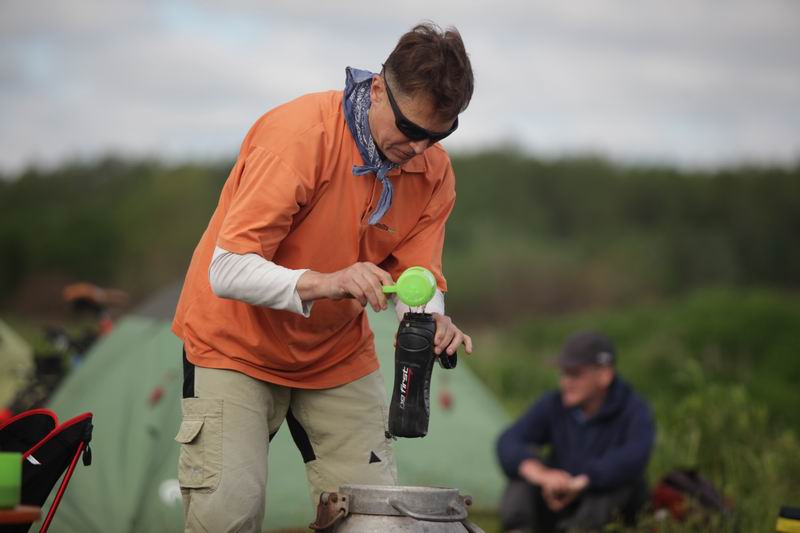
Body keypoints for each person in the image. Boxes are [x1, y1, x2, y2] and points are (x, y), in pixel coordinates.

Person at [171, 23, 474, 532]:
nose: (420, 147)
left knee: (378, 519)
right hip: (233, 346)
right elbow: (226, 269)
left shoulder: (433, 170)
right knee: (229, 515)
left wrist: (431, 320)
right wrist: (330, 281)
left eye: (438, 134)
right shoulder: (298, 138)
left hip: (334, 354)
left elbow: (416, 276)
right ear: (378, 88)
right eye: (409, 128)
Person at [496, 331, 655, 532]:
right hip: (558, 501)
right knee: (522, 473)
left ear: (604, 375)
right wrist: (542, 475)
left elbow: (634, 456)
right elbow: (508, 441)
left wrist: (584, 481)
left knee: (617, 481)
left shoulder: (634, 409)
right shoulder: (554, 404)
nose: (565, 382)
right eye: (564, 373)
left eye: (575, 374)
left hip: (607, 514)